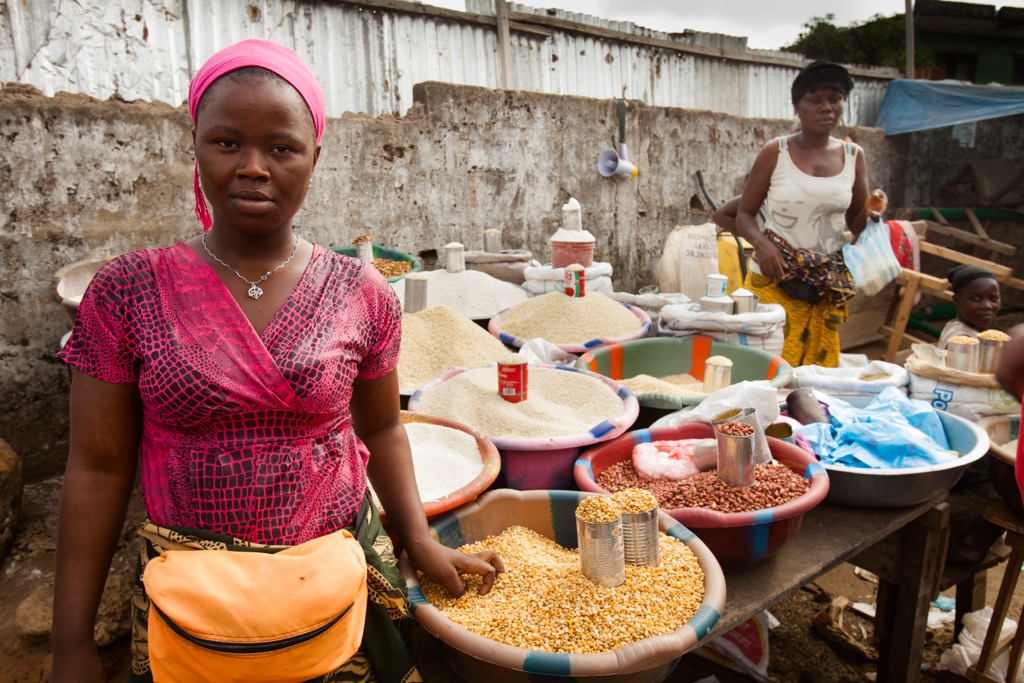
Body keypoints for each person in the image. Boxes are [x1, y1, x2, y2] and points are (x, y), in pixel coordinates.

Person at [50, 38, 502, 683]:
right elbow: (96, 468)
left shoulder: (360, 292)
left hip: (331, 579)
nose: (254, 166)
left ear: (315, 155)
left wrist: (421, 541)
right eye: (227, 142)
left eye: (282, 147)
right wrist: (71, 645)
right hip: (198, 597)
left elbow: (380, 428)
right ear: (196, 146)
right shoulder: (127, 291)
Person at [734, 60, 869, 368]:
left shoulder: (853, 156)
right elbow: (744, 214)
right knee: (766, 372)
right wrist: (762, 245)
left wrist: (873, 212)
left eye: (834, 98)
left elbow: (856, 223)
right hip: (773, 280)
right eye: (814, 99)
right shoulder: (775, 152)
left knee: (815, 379)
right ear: (797, 106)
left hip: (823, 286)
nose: (826, 107)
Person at [937, 264, 1002, 348]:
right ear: (956, 300)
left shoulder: (958, 327)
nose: (987, 306)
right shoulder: (963, 342)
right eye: (976, 298)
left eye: (993, 298)